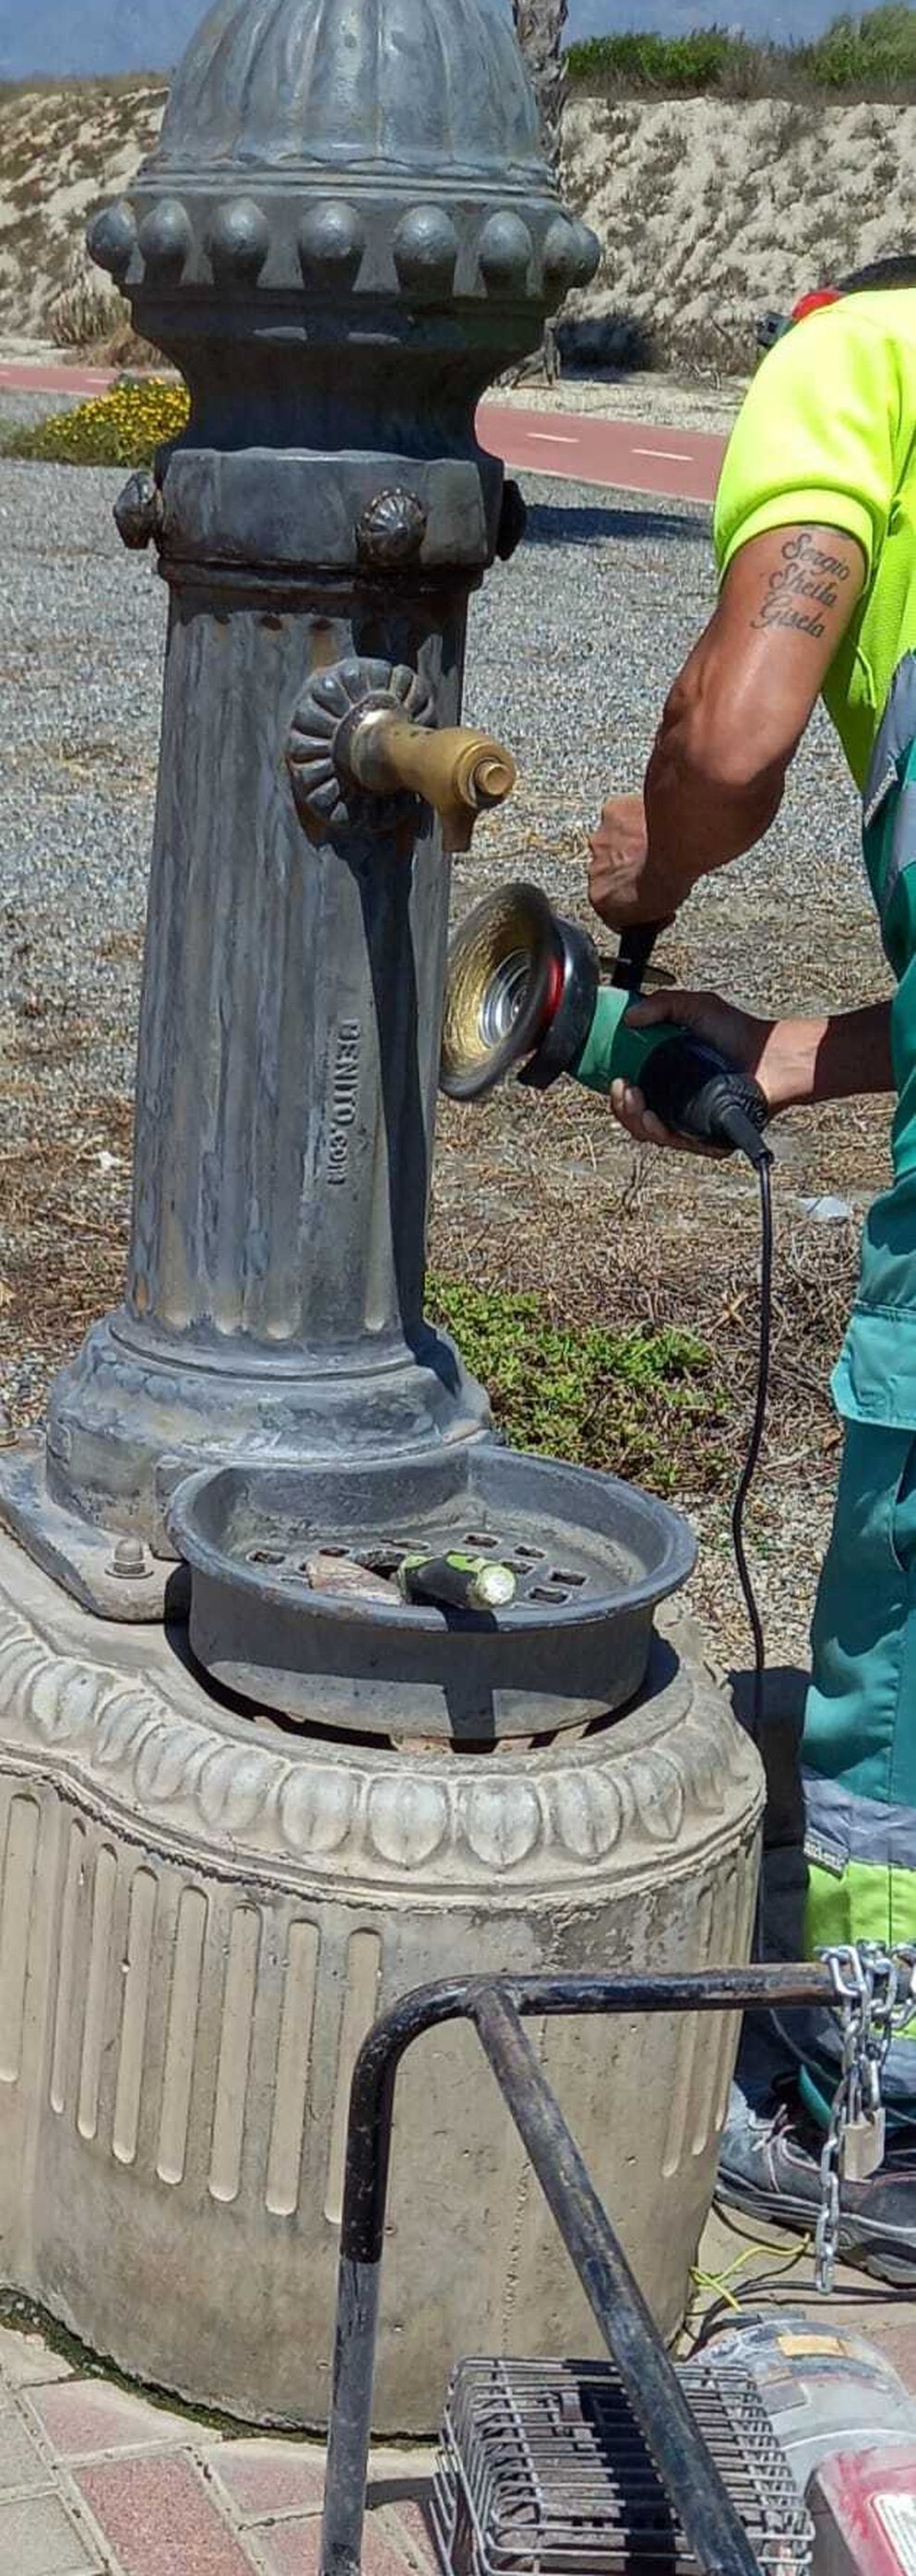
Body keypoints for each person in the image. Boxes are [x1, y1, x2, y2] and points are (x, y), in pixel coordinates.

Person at [589, 256, 916, 2280]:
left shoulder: (859, 355)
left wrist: (655, 862)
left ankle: (860, 2121)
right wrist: (794, 1056)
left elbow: (736, 725)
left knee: (886, 1684)